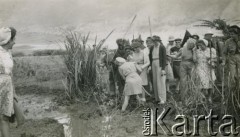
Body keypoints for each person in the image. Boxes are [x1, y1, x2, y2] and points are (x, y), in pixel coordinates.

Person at [0, 27, 25, 137]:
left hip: (7, 88)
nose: (15, 42)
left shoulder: (8, 53)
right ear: (8, 40)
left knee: (4, 117)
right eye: (13, 39)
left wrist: (13, 92)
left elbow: (10, 74)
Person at [169, 38, 196, 104]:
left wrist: (194, 51)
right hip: (183, 65)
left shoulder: (194, 49)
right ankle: (183, 97)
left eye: (192, 45)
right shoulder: (182, 49)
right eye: (190, 45)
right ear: (188, 44)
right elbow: (175, 56)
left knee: (192, 81)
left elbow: (195, 60)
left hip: (191, 65)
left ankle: (193, 97)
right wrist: (168, 55)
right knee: (183, 81)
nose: (191, 46)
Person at [193, 39, 217, 104]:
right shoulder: (197, 51)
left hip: (209, 68)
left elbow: (216, 59)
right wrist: (194, 51)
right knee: (201, 81)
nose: (200, 47)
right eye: (199, 45)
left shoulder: (211, 50)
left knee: (210, 82)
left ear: (205, 44)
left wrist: (211, 60)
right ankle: (202, 97)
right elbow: (194, 60)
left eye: (201, 45)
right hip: (200, 67)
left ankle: (209, 97)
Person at [149, 35, 167, 104]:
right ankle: (157, 98)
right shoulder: (152, 47)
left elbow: (164, 58)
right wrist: (150, 65)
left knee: (160, 81)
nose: (155, 42)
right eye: (154, 41)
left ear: (159, 41)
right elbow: (150, 57)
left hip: (159, 63)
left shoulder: (162, 47)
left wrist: (163, 68)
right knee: (155, 81)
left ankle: (162, 99)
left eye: (156, 41)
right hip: (153, 63)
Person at [222, 25, 240, 92]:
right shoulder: (228, 41)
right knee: (233, 76)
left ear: (237, 34)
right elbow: (224, 52)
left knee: (239, 76)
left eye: (233, 34)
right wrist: (224, 61)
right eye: (230, 34)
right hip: (231, 59)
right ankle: (233, 93)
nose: (231, 35)